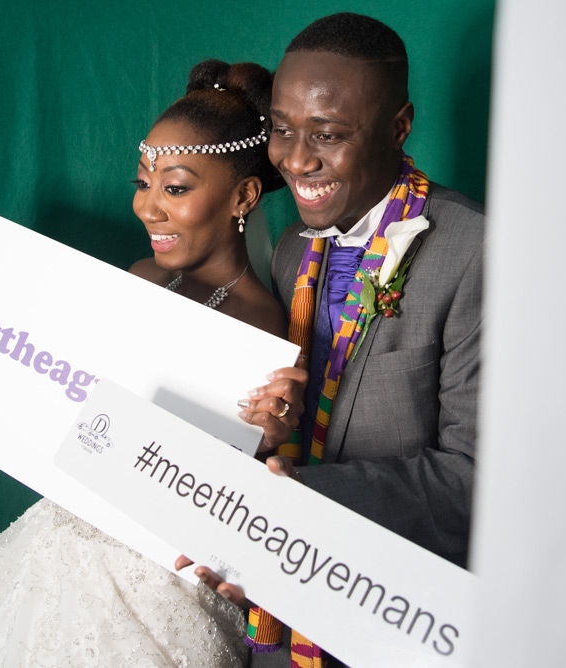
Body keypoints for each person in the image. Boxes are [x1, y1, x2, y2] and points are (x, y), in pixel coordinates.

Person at [0, 60, 287, 668]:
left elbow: (213, 492)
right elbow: (34, 369)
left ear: (243, 196)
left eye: (174, 188)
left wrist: (262, 440)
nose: (147, 208)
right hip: (57, 542)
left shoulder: (258, 326)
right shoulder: (140, 276)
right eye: (142, 183)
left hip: (155, 585)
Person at [182, 13, 484, 667]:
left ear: (399, 127)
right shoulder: (291, 248)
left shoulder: (476, 251)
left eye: (329, 135)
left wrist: (292, 507)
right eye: (283, 129)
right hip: (274, 614)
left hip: (400, 622)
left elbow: (478, 480)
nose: (297, 159)